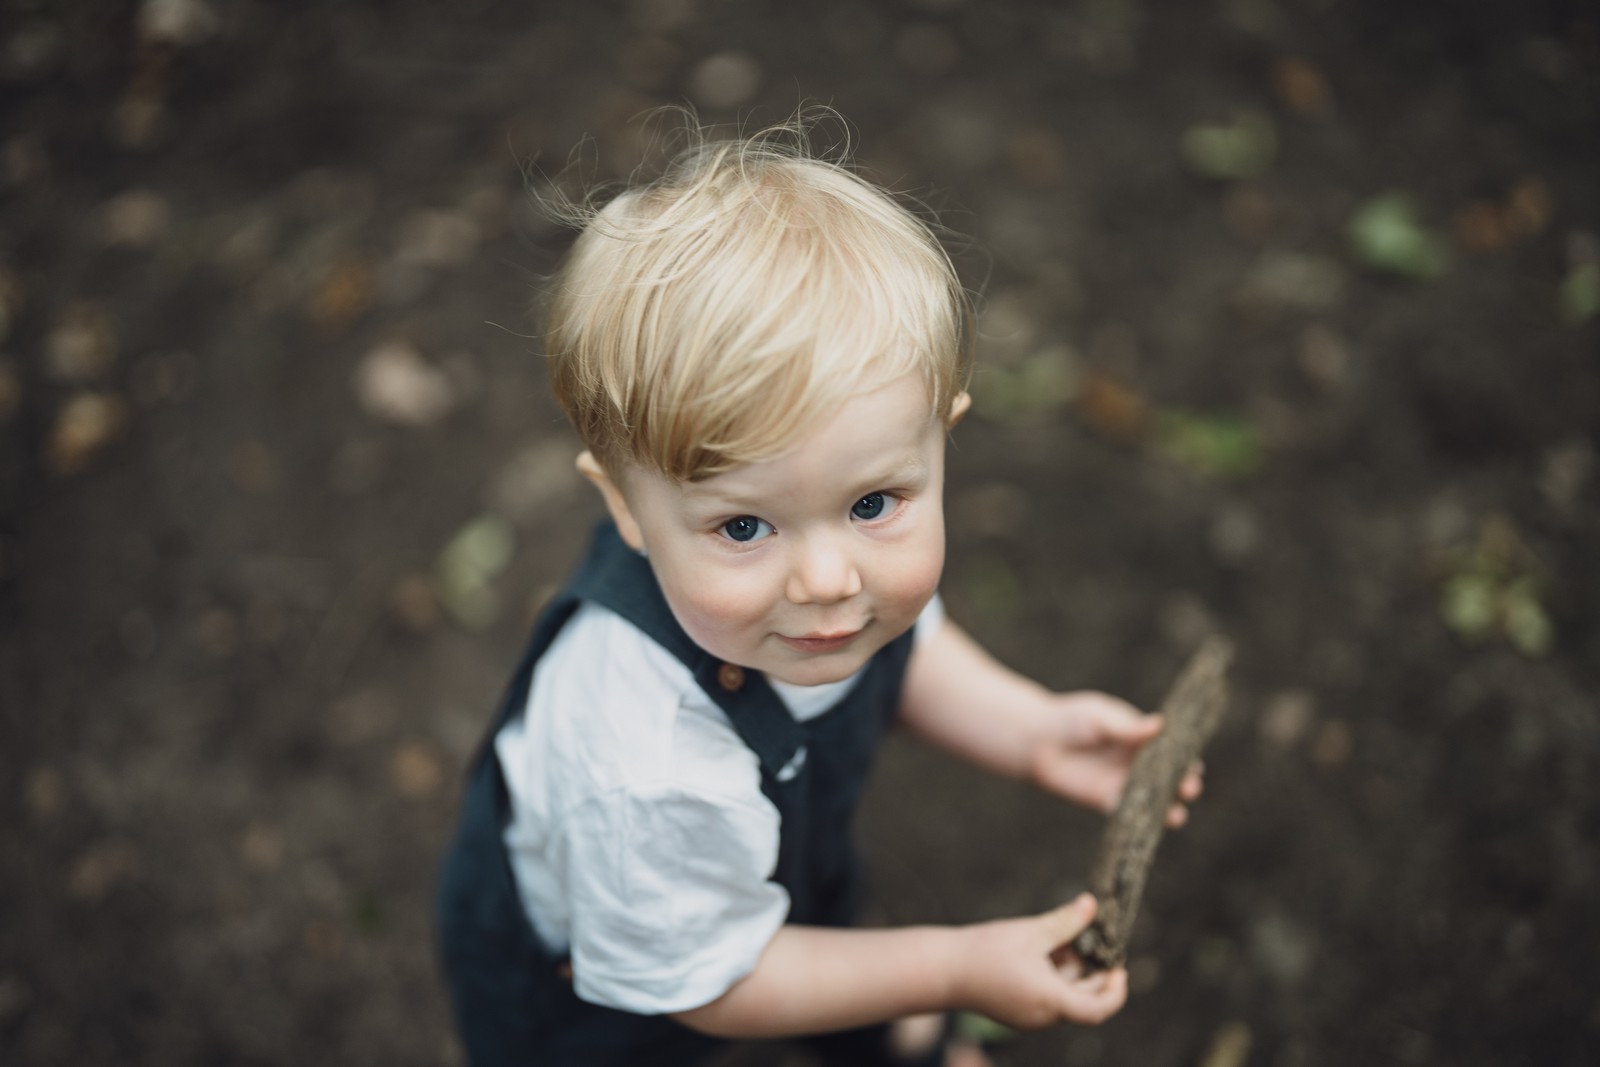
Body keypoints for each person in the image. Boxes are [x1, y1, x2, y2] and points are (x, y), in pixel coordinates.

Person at [436, 114, 1202, 1067]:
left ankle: (895, 1041)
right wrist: (958, 965)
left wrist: (1032, 729)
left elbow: (909, 652)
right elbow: (717, 977)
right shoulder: (645, 764)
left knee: (830, 931)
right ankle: (911, 1010)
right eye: (744, 526)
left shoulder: (796, 606)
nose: (831, 581)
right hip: (610, 970)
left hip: (750, 868)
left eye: (874, 501)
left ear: (941, 439)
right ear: (626, 509)